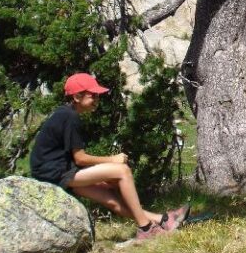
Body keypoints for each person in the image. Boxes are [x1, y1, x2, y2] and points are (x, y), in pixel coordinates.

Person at [30, 73, 189, 240]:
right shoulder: (70, 117)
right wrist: (112, 160)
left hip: (52, 172)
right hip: (56, 173)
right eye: (93, 95)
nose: (97, 99)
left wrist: (102, 176)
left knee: (109, 197)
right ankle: (146, 228)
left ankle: (163, 220)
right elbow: (80, 158)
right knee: (122, 171)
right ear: (77, 96)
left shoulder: (65, 114)